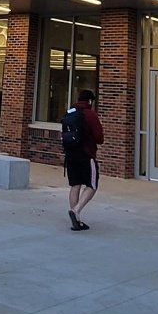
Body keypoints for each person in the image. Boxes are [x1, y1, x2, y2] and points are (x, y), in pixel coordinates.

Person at [64, 89, 104, 231]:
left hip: (70, 155)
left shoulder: (71, 112)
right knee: (92, 185)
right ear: (90, 101)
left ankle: (75, 218)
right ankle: (76, 211)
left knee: (75, 185)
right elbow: (99, 138)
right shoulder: (90, 115)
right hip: (86, 156)